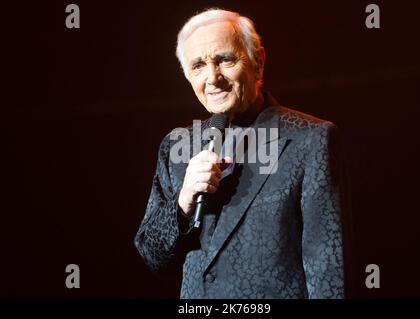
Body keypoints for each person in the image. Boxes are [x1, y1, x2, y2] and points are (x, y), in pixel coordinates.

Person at [134, 8, 346, 299]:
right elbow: (152, 255)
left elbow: (327, 265)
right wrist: (182, 203)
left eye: (225, 59)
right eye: (198, 66)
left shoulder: (309, 139)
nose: (213, 77)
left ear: (258, 62)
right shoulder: (176, 147)